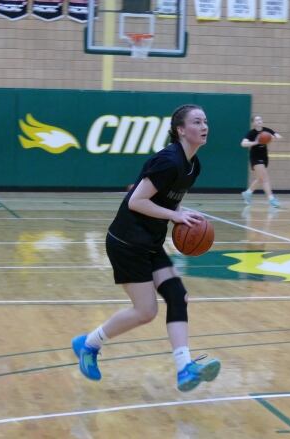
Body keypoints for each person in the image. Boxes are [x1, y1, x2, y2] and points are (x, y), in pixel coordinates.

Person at [72, 104, 221, 392]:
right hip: (127, 242)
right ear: (180, 129)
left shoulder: (193, 165)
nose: (204, 126)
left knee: (178, 296)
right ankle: (89, 345)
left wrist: (183, 216)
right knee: (146, 311)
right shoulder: (168, 161)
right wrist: (175, 216)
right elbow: (136, 201)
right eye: (197, 121)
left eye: (206, 121)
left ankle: (185, 369)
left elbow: (170, 201)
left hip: (150, 241)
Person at [240, 116, 283, 208]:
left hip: (264, 156)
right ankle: (271, 199)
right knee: (265, 178)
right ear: (253, 123)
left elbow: (278, 136)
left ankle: (247, 193)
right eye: (257, 120)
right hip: (255, 157)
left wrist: (272, 137)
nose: (259, 121)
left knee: (260, 178)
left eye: (260, 120)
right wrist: (255, 142)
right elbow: (243, 144)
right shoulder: (251, 133)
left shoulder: (266, 130)